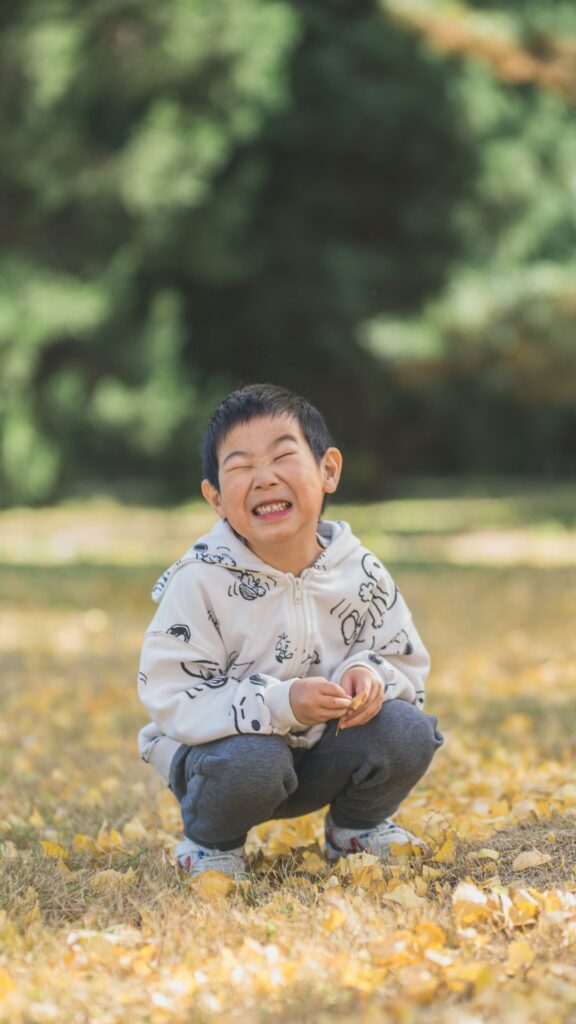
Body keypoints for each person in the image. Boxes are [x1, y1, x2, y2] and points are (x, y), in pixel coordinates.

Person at [137, 384, 443, 877]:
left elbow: (404, 659)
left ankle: (356, 829)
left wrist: (368, 674)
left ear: (328, 471)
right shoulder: (199, 581)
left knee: (407, 730)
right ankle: (210, 843)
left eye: (283, 456)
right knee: (253, 759)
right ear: (215, 497)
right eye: (239, 467)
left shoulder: (360, 571)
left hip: (325, 752)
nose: (264, 478)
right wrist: (281, 703)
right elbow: (172, 693)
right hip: (227, 762)